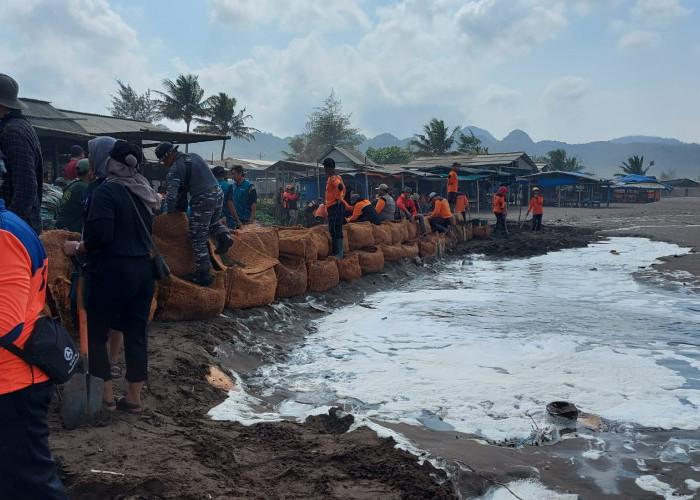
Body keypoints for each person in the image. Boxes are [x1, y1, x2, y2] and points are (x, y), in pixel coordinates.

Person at [64, 141, 161, 413]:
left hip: (113, 273)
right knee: (136, 334)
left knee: (96, 332)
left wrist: (77, 247)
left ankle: (105, 397)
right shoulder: (144, 192)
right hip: (143, 274)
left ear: (110, 162)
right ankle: (133, 400)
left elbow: (101, 237)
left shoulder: (107, 192)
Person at [0, 159, 69, 499]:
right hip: (13, 378)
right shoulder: (12, 225)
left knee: (31, 484)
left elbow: (5, 326)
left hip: (13, 384)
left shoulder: (3, 236)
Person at [156, 141, 233, 286]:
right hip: (217, 193)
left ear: (168, 156)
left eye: (164, 161)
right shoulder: (194, 156)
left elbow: (171, 197)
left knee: (197, 236)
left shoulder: (175, 169)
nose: (164, 164)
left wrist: (171, 214)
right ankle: (224, 236)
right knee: (211, 222)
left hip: (202, 198)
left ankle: (204, 274)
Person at [0, 73, 44, 234]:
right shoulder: (11, 127)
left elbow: (26, 187)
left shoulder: (13, 131)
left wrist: (9, 225)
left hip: (17, 229)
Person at [55, 159, 91, 233]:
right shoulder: (83, 187)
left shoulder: (73, 184)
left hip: (61, 226)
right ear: (89, 172)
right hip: (71, 230)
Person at [323, 158, 346, 258]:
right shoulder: (336, 177)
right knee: (334, 228)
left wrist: (339, 198)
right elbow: (342, 188)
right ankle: (336, 252)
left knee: (335, 229)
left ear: (329, 168)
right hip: (333, 205)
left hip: (335, 206)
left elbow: (339, 185)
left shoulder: (333, 178)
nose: (324, 170)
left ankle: (339, 253)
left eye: (325, 168)